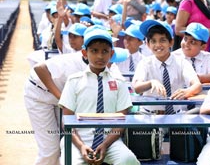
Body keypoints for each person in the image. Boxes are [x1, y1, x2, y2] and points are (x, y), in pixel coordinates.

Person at [59, 29, 140, 165]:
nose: (100, 56)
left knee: (129, 161)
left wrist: (106, 144)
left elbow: (121, 120)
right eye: (94, 51)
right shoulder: (74, 81)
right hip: (77, 140)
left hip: (110, 140)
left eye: (105, 51)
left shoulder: (119, 82)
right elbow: (66, 121)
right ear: (85, 53)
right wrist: (81, 146)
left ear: (111, 54)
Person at [132, 20, 201, 114]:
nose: (158, 45)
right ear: (148, 44)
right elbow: (137, 87)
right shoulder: (145, 63)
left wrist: (187, 91)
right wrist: (151, 82)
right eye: (153, 41)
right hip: (149, 115)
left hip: (176, 115)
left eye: (162, 40)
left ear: (171, 42)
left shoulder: (181, 62)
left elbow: (197, 85)